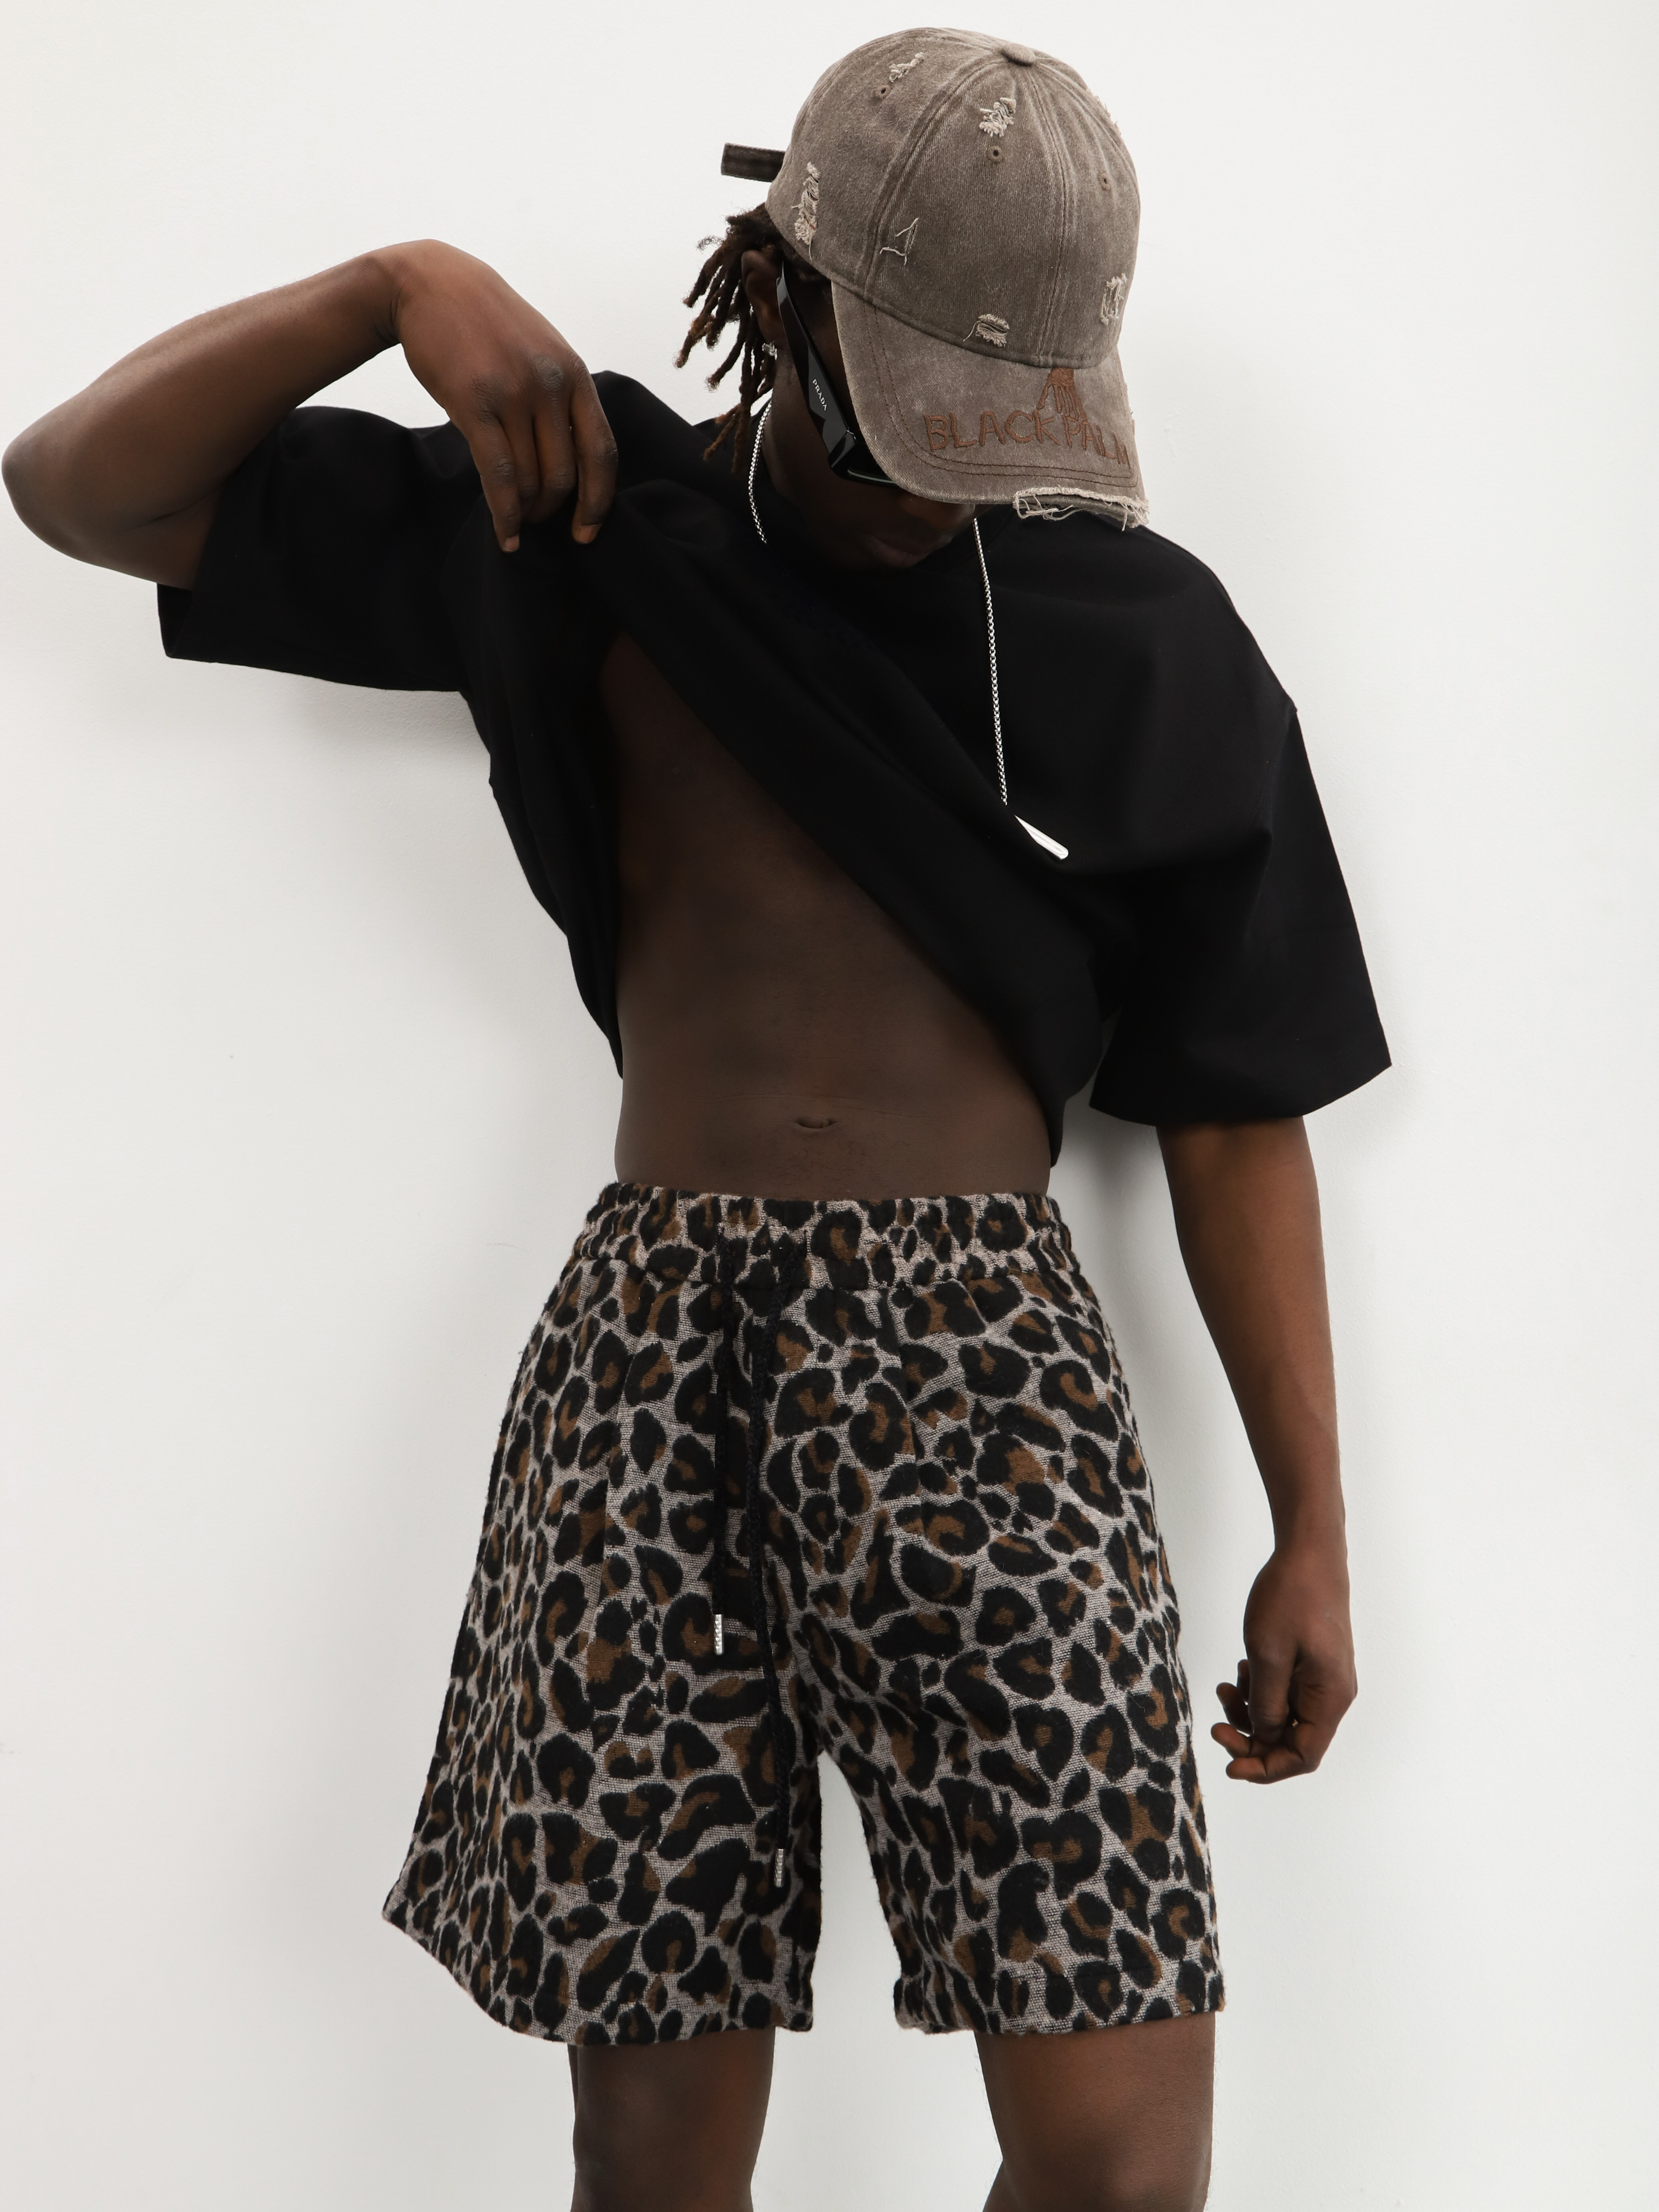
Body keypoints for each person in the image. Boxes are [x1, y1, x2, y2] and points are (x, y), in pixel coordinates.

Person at [3, 28, 1387, 2212]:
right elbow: (83, 490)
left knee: (1121, 2159)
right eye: (908, 411)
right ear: (787, 297)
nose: (938, 484)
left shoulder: (1146, 638)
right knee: (650, 2154)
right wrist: (389, 286)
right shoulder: (588, 521)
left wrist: (1314, 1524)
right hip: (650, 1363)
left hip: (993, 1390)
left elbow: (1234, 1112)